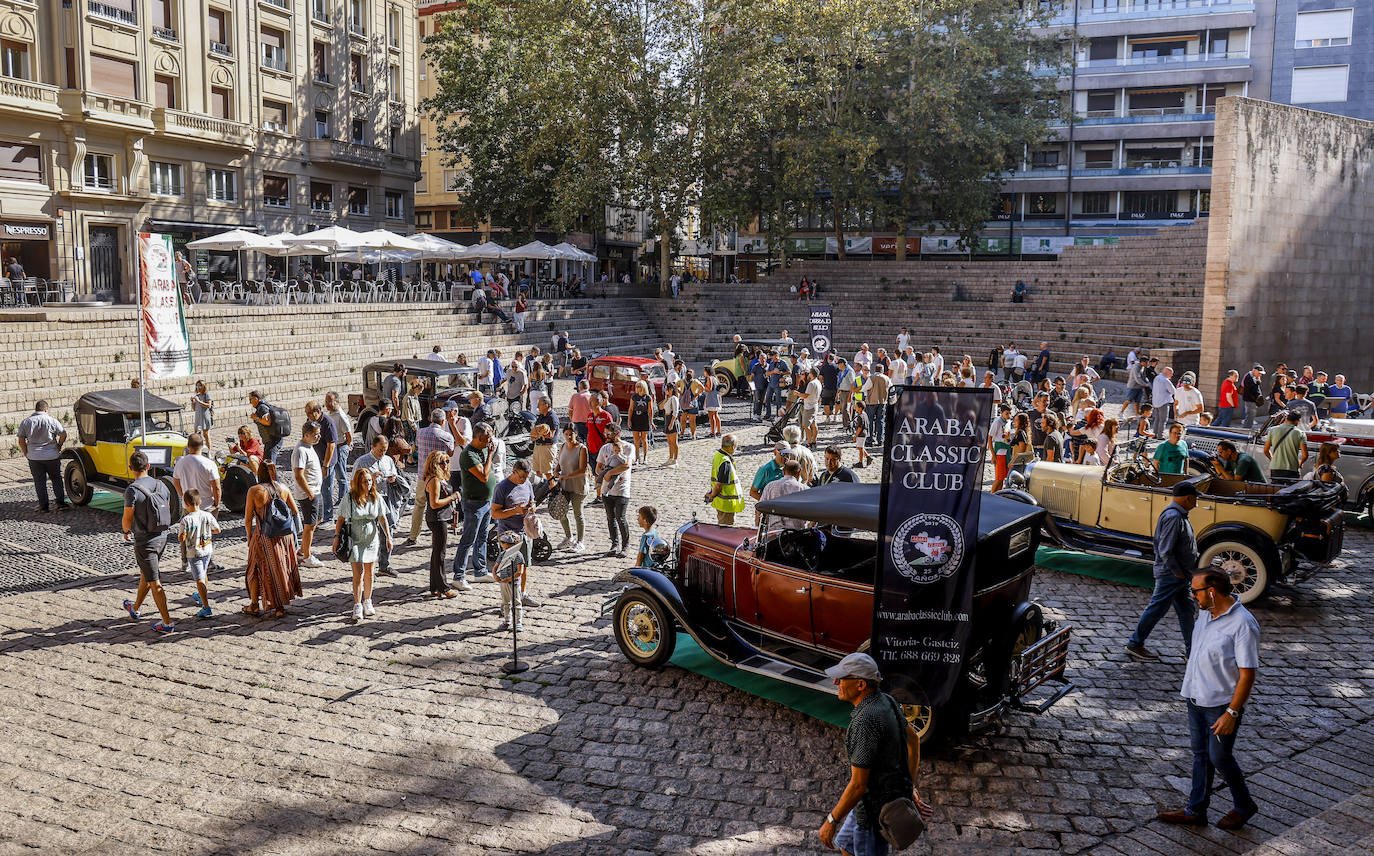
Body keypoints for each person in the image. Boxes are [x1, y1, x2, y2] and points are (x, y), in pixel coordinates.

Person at [1156, 567, 1260, 831]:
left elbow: (1248, 674)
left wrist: (1232, 713)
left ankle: (1244, 805)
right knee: (1200, 755)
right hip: (1195, 698)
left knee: (1220, 757)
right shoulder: (1205, 612)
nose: (1192, 595)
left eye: (1195, 591)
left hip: (1221, 706)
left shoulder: (1243, 624)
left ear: (1211, 592)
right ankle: (1195, 810)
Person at [817, 652, 932, 855]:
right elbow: (913, 740)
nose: (835, 682)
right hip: (863, 805)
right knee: (846, 847)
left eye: (842, 678)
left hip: (874, 813)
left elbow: (859, 785)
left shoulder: (865, 722)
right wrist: (909, 785)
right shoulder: (886, 700)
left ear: (860, 685)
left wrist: (831, 820)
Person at [1127, 481, 1199, 661]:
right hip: (1172, 575)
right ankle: (1135, 643)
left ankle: (1192, 651)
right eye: (1195, 497)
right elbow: (1166, 550)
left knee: (1186, 610)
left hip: (1179, 575)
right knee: (1157, 609)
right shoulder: (1174, 517)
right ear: (1188, 498)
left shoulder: (1178, 515)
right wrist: (1178, 573)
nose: (1197, 501)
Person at [120, 450, 176, 632]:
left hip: (145, 541)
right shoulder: (161, 485)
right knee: (147, 573)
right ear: (148, 466)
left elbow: (127, 516)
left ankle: (167, 622)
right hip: (162, 537)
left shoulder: (132, 490)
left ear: (130, 469)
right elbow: (166, 507)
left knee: (155, 582)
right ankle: (135, 608)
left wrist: (125, 530)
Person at [242, 459, 303, 619]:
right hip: (284, 536)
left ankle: (254, 605)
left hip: (264, 536)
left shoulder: (254, 491)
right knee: (280, 569)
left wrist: (249, 537)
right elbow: (295, 511)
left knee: (254, 569)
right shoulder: (283, 488)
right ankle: (279, 607)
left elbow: (248, 519)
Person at [336, 467, 390, 622]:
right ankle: (357, 604)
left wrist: (388, 537)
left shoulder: (375, 497)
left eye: (370, 481)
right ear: (358, 483)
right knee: (358, 573)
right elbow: (340, 519)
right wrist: (336, 537)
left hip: (371, 539)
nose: (368, 484)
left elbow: (382, 518)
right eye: (365, 481)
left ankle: (368, 600)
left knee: (369, 572)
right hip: (355, 538)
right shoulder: (349, 498)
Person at [453, 422, 497, 589]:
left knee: (482, 538)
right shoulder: (469, 454)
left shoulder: (483, 448)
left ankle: (480, 571)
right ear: (479, 437)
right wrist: (490, 455)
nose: (490, 441)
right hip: (474, 502)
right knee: (468, 540)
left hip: (486, 500)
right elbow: (484, 476)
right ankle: (458, 575)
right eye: (488, 438)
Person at [491, 458, 539, 612]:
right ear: (513, 472)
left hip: (524, 531)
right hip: (507, 534)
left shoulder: (527, 484)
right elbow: (495, 513)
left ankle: (521, 595)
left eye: (526, 477)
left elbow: (533, 500)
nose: (524, 480)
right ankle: (506, 601)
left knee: (523, 566)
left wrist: (532, 506)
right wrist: (515, 511)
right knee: (507, 569)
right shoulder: (502, 488)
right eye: (521, 477)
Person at [351, 434, 401, 579]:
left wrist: (393, 478)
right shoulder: (362, 462)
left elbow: (394, 473)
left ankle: (384, 565)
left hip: (385, 499)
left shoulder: (388, 460)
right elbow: (353, 484)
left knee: (387, 532)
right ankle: (367, 568)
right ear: (372, 447)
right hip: (368, 502)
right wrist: (371, 479)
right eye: (380, 450)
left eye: (385, 450)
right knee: (369, 535)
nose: (382, 453)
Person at [405, 410, 455, 545]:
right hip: (440, 478)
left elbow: (417, 448)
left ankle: (413, 535)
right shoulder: (447, 436)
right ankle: (440, 533)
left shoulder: (420, 433)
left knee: (419, 505)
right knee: (440, 505)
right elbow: (450, 454)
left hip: (423, 475)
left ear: (431, 419)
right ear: (443, 422)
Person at [419, 450, 458, 599]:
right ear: (434, 464)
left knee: (436, 553)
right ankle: (443, 587)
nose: (446, 464)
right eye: (442, 462)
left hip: (438, 518)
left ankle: (435, 587)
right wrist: (452, 497)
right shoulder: (434, 479)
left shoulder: (436, 478)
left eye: (447, 461)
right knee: (440, 554)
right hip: (437, 518)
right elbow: (435, 504)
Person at [175, 489, 219, 618]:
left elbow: (181, 538)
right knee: (203, 573)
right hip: (207, 549)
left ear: (185, 503)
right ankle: (201, 595)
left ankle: (206, 606)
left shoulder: (186, 520)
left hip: (194, 553)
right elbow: (217, 529)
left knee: (199, 579)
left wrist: (188, 534)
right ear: (200, 501)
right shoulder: (207, 515)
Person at [18, 400, 68, 513]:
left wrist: (26, 452)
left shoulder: (26, 422)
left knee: (39, 481)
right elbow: (63, 434)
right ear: (46, 409)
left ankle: (43, 506)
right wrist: (59, 445)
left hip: (34, 456)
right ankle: (61, 503)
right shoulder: (52, 420)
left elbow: (21, 440)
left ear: (36, 409)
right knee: (56, 479)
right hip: (51, 455)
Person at [596, 423, 635, 557]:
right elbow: (598, 467)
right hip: (607, 490)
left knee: (620, 517)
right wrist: (604, 474)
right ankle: (614, 544)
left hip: (622, 489)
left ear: (617, 434)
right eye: (605, 433)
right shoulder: (604, 448)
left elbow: (626, 465)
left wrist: (609, 473)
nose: (606, 436)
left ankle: (625, 545)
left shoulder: (629, 447)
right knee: (610, 518)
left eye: (609, 434)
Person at [552, 425, 589, 551]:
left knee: (578, 513)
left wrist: (566, 476)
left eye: (571, 434)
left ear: (576, 434)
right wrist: (556, 472)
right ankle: (569, 537)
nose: (569, 436)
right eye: (566, 433)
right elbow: (559, 464)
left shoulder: (582, 449)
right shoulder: (562, 447)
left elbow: (582, 469)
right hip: (565, 486)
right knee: (561, 511)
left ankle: (580, 541)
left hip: (578, 486)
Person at [172, 432, 221, 514]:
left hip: (188, 506)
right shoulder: (209, 464)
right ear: (202, 445)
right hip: (207, 505)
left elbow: (176, 483)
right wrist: (217, 504)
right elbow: (216, 487)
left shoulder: (180, 463)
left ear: (188, 446)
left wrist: (184, 497)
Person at [704, 434, 745, 525]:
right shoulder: (725, 462)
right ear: (733, 446)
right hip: (726, 505)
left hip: (721, 502)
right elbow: (719, 484)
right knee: (726, 531)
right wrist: (712, 495)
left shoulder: (718, 455)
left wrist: (711, 493)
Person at [1263, 410, 1307, 482]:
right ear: (1298, 421)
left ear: (1286, 419)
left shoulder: (1273, 430)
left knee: (1276, 489)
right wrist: (1300, 463)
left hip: (1275, 468)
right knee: (1290, 490)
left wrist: (1272, 459)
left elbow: (1266, 450)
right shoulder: (1300, 433)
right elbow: (1305, 455)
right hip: (1292, 468)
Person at [249, 390, 286, 468]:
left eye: (250, 399)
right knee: (267, 465)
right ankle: (270, 480)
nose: (250, 402)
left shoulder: (262, 407)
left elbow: (267, 421)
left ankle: (275, 480)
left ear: (256, 399)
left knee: (270, 466)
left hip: (273, 440)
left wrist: (256, 418)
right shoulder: (262, 406)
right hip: (270, 440)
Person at [628, 380, 654, 465]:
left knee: (644, 439)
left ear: (642, 387)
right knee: (636, 440)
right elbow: (631, 409)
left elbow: (650, 410)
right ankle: (637, 457)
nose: (636, 388)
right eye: (636, 386)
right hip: (635, 418)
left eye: (638, 386)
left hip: (644, 418)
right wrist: (629, 420)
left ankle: (645, 456)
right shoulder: (634, 397)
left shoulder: (648, 398)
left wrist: (651, 421)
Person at [1150, 367, 1176, 439]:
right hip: (1163, 401)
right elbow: (1173, 391)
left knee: (1157, 419)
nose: (1172, 375)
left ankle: (1154, 434)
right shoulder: (1165, 380)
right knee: (1163, 420)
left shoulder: (1157, 378)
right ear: (1167, 373)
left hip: (1156, 401)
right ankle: (1160, 435)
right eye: (1171, 373)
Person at [661, 381, 681, 468]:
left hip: (672, 420)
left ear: (671, 389)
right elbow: (661, 407)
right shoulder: (668, 398)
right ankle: (670, 458)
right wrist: (665, 399)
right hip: (666, 419)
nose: (665, 390)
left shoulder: (674, 398)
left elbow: (675, 411)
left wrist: (672, 423)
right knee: (669, 442)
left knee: (674, 442)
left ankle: (675, 460)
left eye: (667, 389)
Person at [702, 371, 722, 438]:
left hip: (711, 398)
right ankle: (719, 431)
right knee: (716, 415)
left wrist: (703, 387)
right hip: (715, 397)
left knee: (711, 416)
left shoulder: (709, 378)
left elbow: (709, 389)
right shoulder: (714, 378)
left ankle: (713, 432)